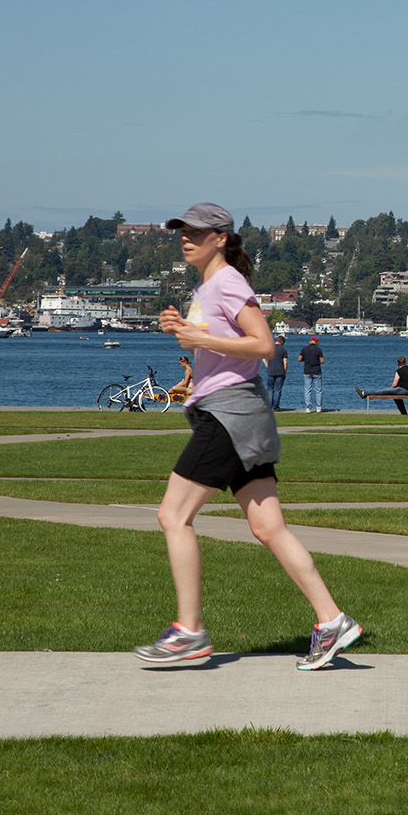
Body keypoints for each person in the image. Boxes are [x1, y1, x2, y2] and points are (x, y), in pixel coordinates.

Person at [134, 202, 360, 671]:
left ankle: (189, 631)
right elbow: (219, 348)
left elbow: (262, 345)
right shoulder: (207, 287)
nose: (186, 238)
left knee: (172, 515)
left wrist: (200, 340)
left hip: (231, 414)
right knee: (267, 527)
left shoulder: (228, 283)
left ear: (220, 238)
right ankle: (332, 619)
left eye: (196, 231)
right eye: (182, 231)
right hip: (238, 410)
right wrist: (182, 329)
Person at [297, 335, 324, 413]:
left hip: (307, 371)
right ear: (317, 342)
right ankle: (319, 407)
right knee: (318, 390)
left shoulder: (304, 349)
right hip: (316, 371)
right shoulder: (318, 350)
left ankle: (308, 407)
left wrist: (306, 360)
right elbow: (322, 361)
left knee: (307, 390)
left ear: (310, 341)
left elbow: (299, 359)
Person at [264, 334, 289, 409]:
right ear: (281, 342)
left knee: (270, 389)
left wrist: (268, 367)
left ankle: (270, 406)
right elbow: (285, 363)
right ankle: (276, 406)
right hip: (280, 371)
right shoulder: (283, 350)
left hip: (271, 371)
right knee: (278, 390)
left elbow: (264, 359)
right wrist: (285, 373)